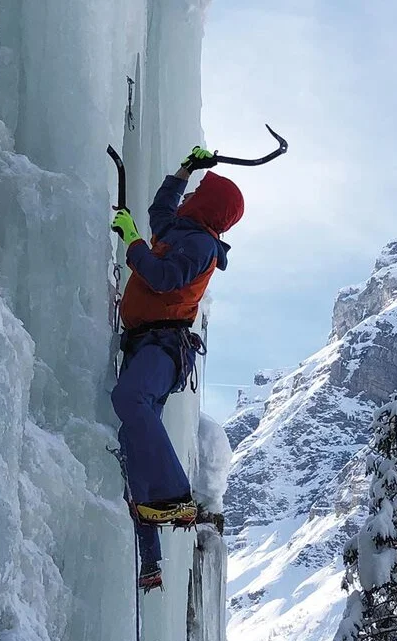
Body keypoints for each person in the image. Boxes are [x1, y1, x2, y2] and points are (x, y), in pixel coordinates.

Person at [110, 145, 244, 591]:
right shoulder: (182, 229)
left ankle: (174, 497)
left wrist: (131, 242)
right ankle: (151, 558)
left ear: (209, 205)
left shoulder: (201, 245)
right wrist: (186, 170)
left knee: (130, 400)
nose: (191, 196)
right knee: (133, 439)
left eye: (199, 191)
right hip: (146, 341)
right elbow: (159, 209)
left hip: (165, 344)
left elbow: (163, 277)